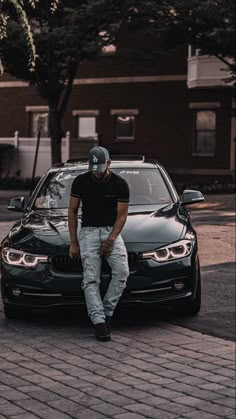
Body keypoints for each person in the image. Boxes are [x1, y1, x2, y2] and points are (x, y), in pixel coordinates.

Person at [68, 146, 130, 341]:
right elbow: (72, 211)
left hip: (111, 230)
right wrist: (74, 242)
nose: (96, 171)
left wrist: (111, 240)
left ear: (109, 164)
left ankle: (107, 313)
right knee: (91, 278)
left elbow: (122, 216)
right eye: (93, 168)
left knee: (122, 272)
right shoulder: (80, 182)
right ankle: (99, 323)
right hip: (88, 232)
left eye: (100, 167)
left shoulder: (120, 184)